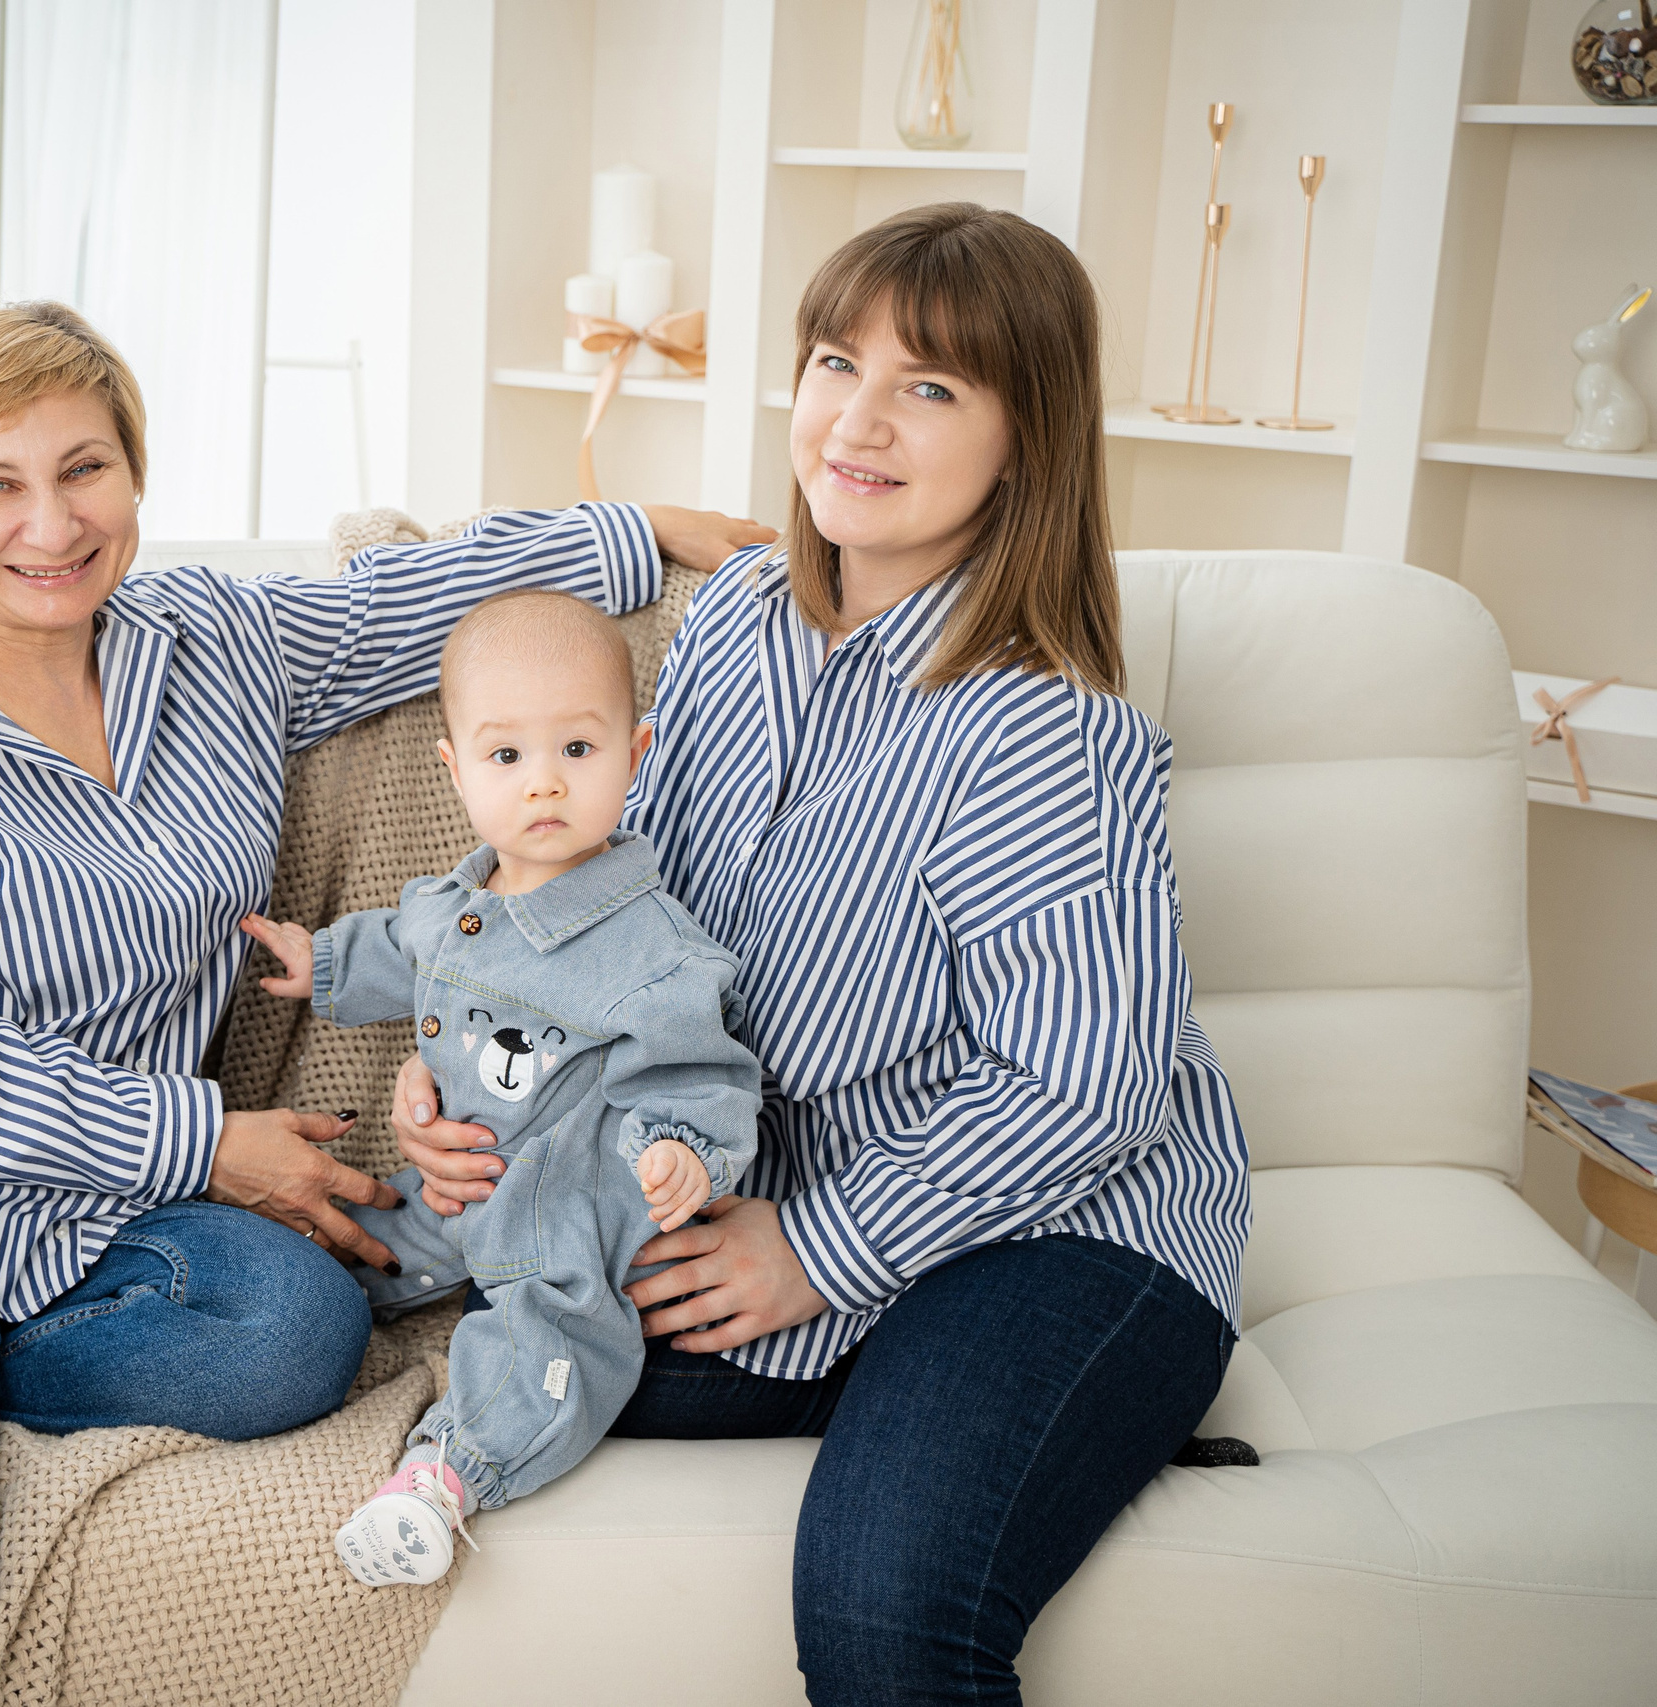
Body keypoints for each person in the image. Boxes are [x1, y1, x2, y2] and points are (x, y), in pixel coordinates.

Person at [0, 299, 773, 1706]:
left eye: (85, 467)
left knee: (293, 1331)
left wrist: (644, 530)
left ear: (133, 471)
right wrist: (204, 1144)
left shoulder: (207, 645)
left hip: (87, 1215)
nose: (51, 522)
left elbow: (419, 605)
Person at [389, 203, 1252, 1705]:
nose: (858, 418)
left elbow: (1087, 1086)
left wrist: (816, 1252)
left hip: (1065, 1229)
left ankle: (1090, 1387)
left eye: (930, 387)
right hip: (782, 1181)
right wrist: (461, 1065)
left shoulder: (1046, 730)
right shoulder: (729, 625)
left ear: (1024, 439)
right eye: (837, 361)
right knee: (516, 1331)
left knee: (885, 1604)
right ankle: (1020, 1413)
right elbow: (598, 910)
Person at [238, 589, 763, 1587]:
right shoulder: (461, 899)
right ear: (457, 771)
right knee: (336, 1243)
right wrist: (322, 963)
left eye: (578, 750)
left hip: (558, 1213)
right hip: (447, 1188)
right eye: (507, 757)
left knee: (549, 1343)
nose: (544, 786)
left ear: (636, 754)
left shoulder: (650, 949)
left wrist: (680, 1151)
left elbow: (705, 1076)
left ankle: (443, 1476)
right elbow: (401, 945)